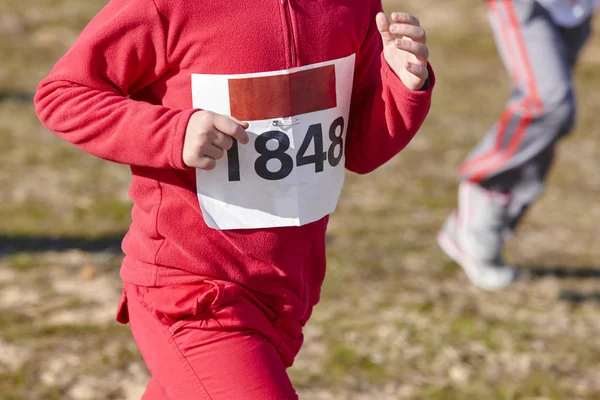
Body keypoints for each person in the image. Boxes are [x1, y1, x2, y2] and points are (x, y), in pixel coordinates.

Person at [34, 0, 434, 398]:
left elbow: (360, 150)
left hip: (287, 297)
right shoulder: (166, 6)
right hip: (191, 292)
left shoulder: (355, 7)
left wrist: (402, 86)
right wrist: (173, 133)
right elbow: (63, 95)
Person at [438, 0, 597, 291]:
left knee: (552, 119)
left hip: (577, 10)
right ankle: (481, 184)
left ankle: (482, 224)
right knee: (550, 105)